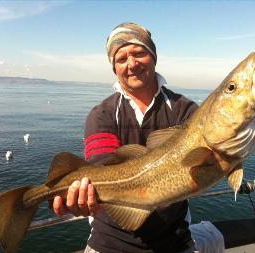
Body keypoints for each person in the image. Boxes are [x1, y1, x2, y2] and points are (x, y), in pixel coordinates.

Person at [53, 22, 224, 253]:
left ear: (153, 57)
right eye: (121, 59)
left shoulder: (185, 110)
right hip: (109, 244)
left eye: (139, 53)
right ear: (114, 67)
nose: (132, 64)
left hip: (174, 242)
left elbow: (208, 165)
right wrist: (84, 198)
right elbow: (102, 168)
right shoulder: (102, 114)